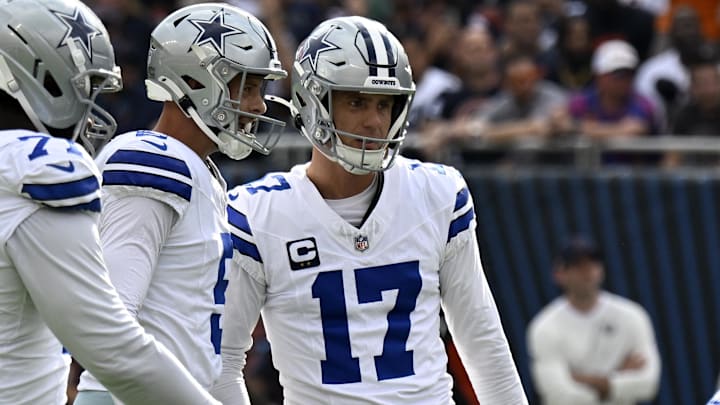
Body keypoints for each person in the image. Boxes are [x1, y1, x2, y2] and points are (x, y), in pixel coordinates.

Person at [212, 16, 528, 404]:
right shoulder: (257, 214)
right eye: (356, 101)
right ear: (313, 102)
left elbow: (480, 336)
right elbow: (224, 360)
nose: (375, 121)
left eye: (385, 104)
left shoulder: (438, 193)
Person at [0, 0, 221, 403]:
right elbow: (115, 350)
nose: (92, 105)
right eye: (84, 85)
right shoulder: (33, 168)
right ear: (42, 77)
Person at [73, 2, 287, 403]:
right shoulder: (153, 161)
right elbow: (111, 329)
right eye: (249, 86)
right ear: (196, 81)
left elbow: (208, 356)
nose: (259, 105)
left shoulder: (200, 172)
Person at [527, 235, 661, 405]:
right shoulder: (544, 327)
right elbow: (560, 397)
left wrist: (584, 380)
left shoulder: (633, 315)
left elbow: (648, 384)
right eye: (577, 265)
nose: (587, 271)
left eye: (593, 263)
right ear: (560, 274)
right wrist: (619, 374)